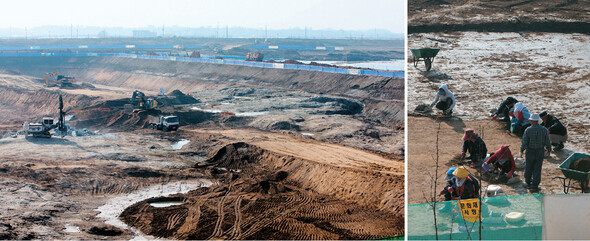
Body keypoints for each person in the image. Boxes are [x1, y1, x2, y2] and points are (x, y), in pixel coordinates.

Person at [520, 113, 551, 191]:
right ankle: (535, 185)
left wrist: (521, 150)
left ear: (532, 121)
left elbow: (524, 142)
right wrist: (549, 149)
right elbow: (547, 141)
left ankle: (528, 182)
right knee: (537, 168)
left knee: (528, 166)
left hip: (530, 151)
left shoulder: (528, 130)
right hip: (540, 151)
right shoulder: (544, 130)